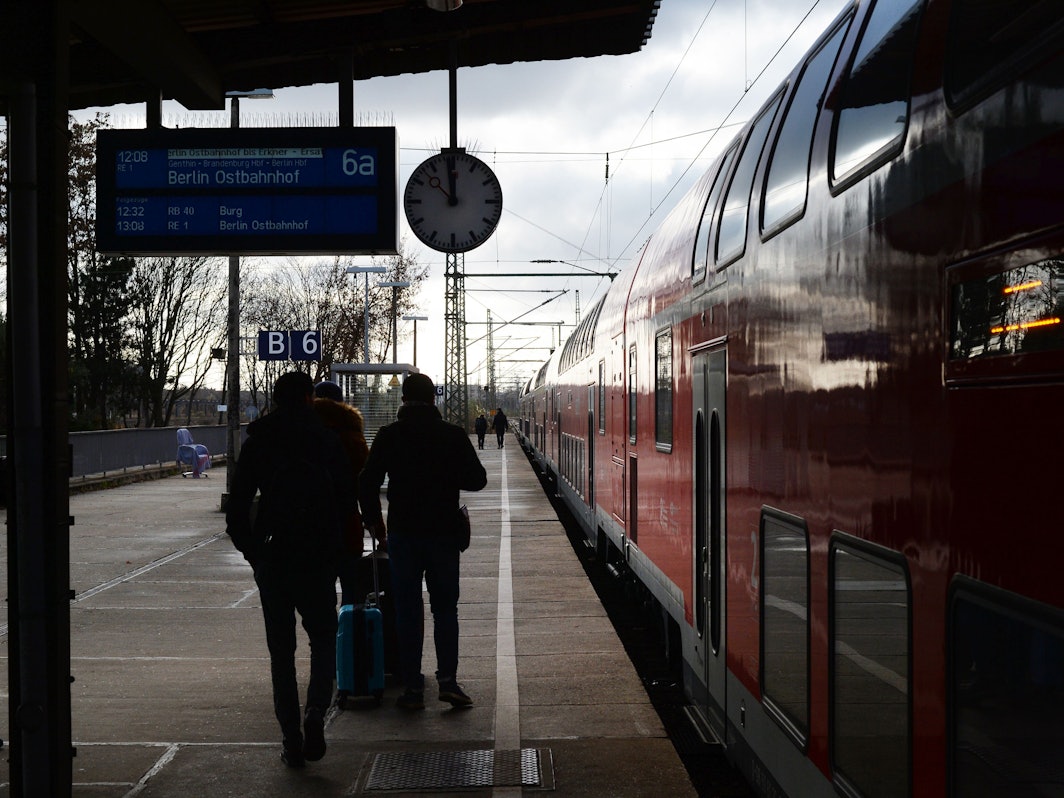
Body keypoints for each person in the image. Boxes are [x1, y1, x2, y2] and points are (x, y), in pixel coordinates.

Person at [225, 371, 354, 768]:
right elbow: (347, 503)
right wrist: (337, 556)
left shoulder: (260, 440)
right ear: (310, 397)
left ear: (277, 399)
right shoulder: (327, 439)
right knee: (323, 640)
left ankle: (290, 740)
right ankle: (316, 711)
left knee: (281, 653)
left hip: (274, 556)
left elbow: (237, 506)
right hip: (316, 558)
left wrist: (253, 553)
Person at [359, 373, 487, 710]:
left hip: (402, 534)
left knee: (407, 609)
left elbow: (367, 481)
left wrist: (374, 521)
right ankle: (448, 682)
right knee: (445, 609)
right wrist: (445, 476)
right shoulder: (452, 435)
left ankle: (413, 687)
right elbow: (478, 480)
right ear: (434, 399)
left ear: (403, 400)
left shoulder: (390, 435)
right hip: (443, 534)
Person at [313, 379, 370, 605]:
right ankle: (348, 635)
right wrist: (375, 524)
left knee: (318, 594)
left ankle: (323, 638)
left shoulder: (306, 434)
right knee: (352, 588)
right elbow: (365, 483)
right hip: (347, 523)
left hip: (312, 526)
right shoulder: (352, 436)